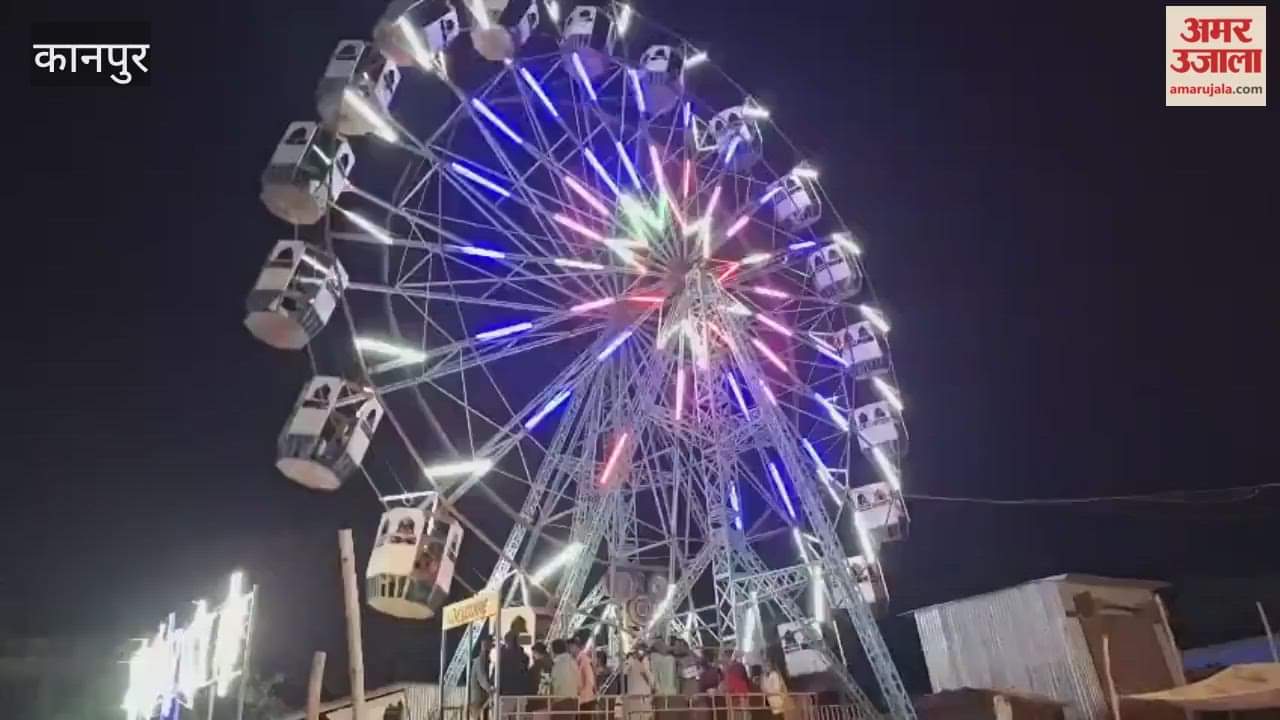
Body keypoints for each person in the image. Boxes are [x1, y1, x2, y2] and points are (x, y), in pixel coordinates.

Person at [499, 627, 533, 717]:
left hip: (507, 693)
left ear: (507, 641)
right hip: (521, 692)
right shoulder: (524, 657)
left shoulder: (504, 657)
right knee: (519, 716)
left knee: (503, 716)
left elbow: (499, 673)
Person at [568, 634, 596, 720]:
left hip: (585, 698)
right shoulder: (578, 660)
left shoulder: (584, 660)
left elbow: (590, 679)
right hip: (582, 698)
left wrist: (581, 691)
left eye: (570, 647)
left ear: (576, 647)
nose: (569, 649)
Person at [551, 639, 581, 718]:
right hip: (574, 699)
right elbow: (579, 682)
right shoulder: (573, 661)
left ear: (553, 650)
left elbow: (555, 683)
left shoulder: (557, 663)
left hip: (561, 700)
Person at [623, 644, 655, 720]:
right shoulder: (631, 662)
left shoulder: (647, 663)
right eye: (639, 651)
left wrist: (646, 668)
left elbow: (651, 680)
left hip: (646, 697)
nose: (641, 653)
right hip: (634, 697)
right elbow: (624, 671)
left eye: (643, 651)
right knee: (634, 716)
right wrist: (630, 660)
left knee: (646, 716)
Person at [648, 639, 677, 720]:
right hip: (672, 692)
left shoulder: (653, 658)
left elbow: (653, 677)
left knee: (659, 715)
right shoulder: (672, 659)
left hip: (659, 692)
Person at [720, 651, 751, 720]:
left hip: (738, 696)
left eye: (723, 658)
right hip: (737, 696)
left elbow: (734, 683)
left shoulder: (735, 668)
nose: (722, 661)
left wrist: (724, 689)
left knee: (739, 715)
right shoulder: (735, 667)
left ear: (728, 658)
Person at [469, 636, 493, 720]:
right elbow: (482, 679)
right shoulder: (479, 661)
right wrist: (490, 690)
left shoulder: (485, 661)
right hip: (477, 699)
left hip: (483, 698)